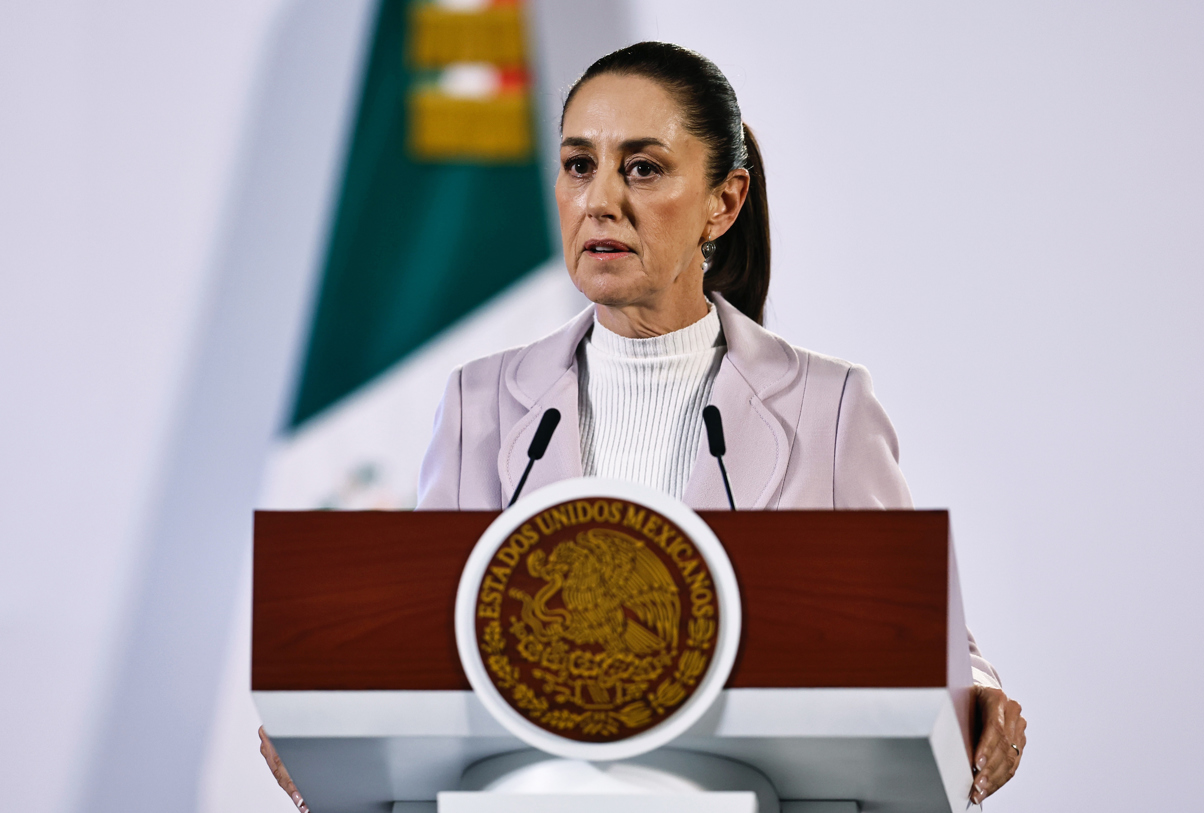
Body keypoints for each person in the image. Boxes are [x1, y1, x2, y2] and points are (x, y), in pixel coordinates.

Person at [264, 41, 1027, 809]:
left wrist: (982, 696)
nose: (600, 200)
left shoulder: (826, 408)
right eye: (577, 165)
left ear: (722, 203)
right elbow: (419, 639)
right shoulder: (481, 402)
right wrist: (324, 703)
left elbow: (923, 639)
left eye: (642, 168)